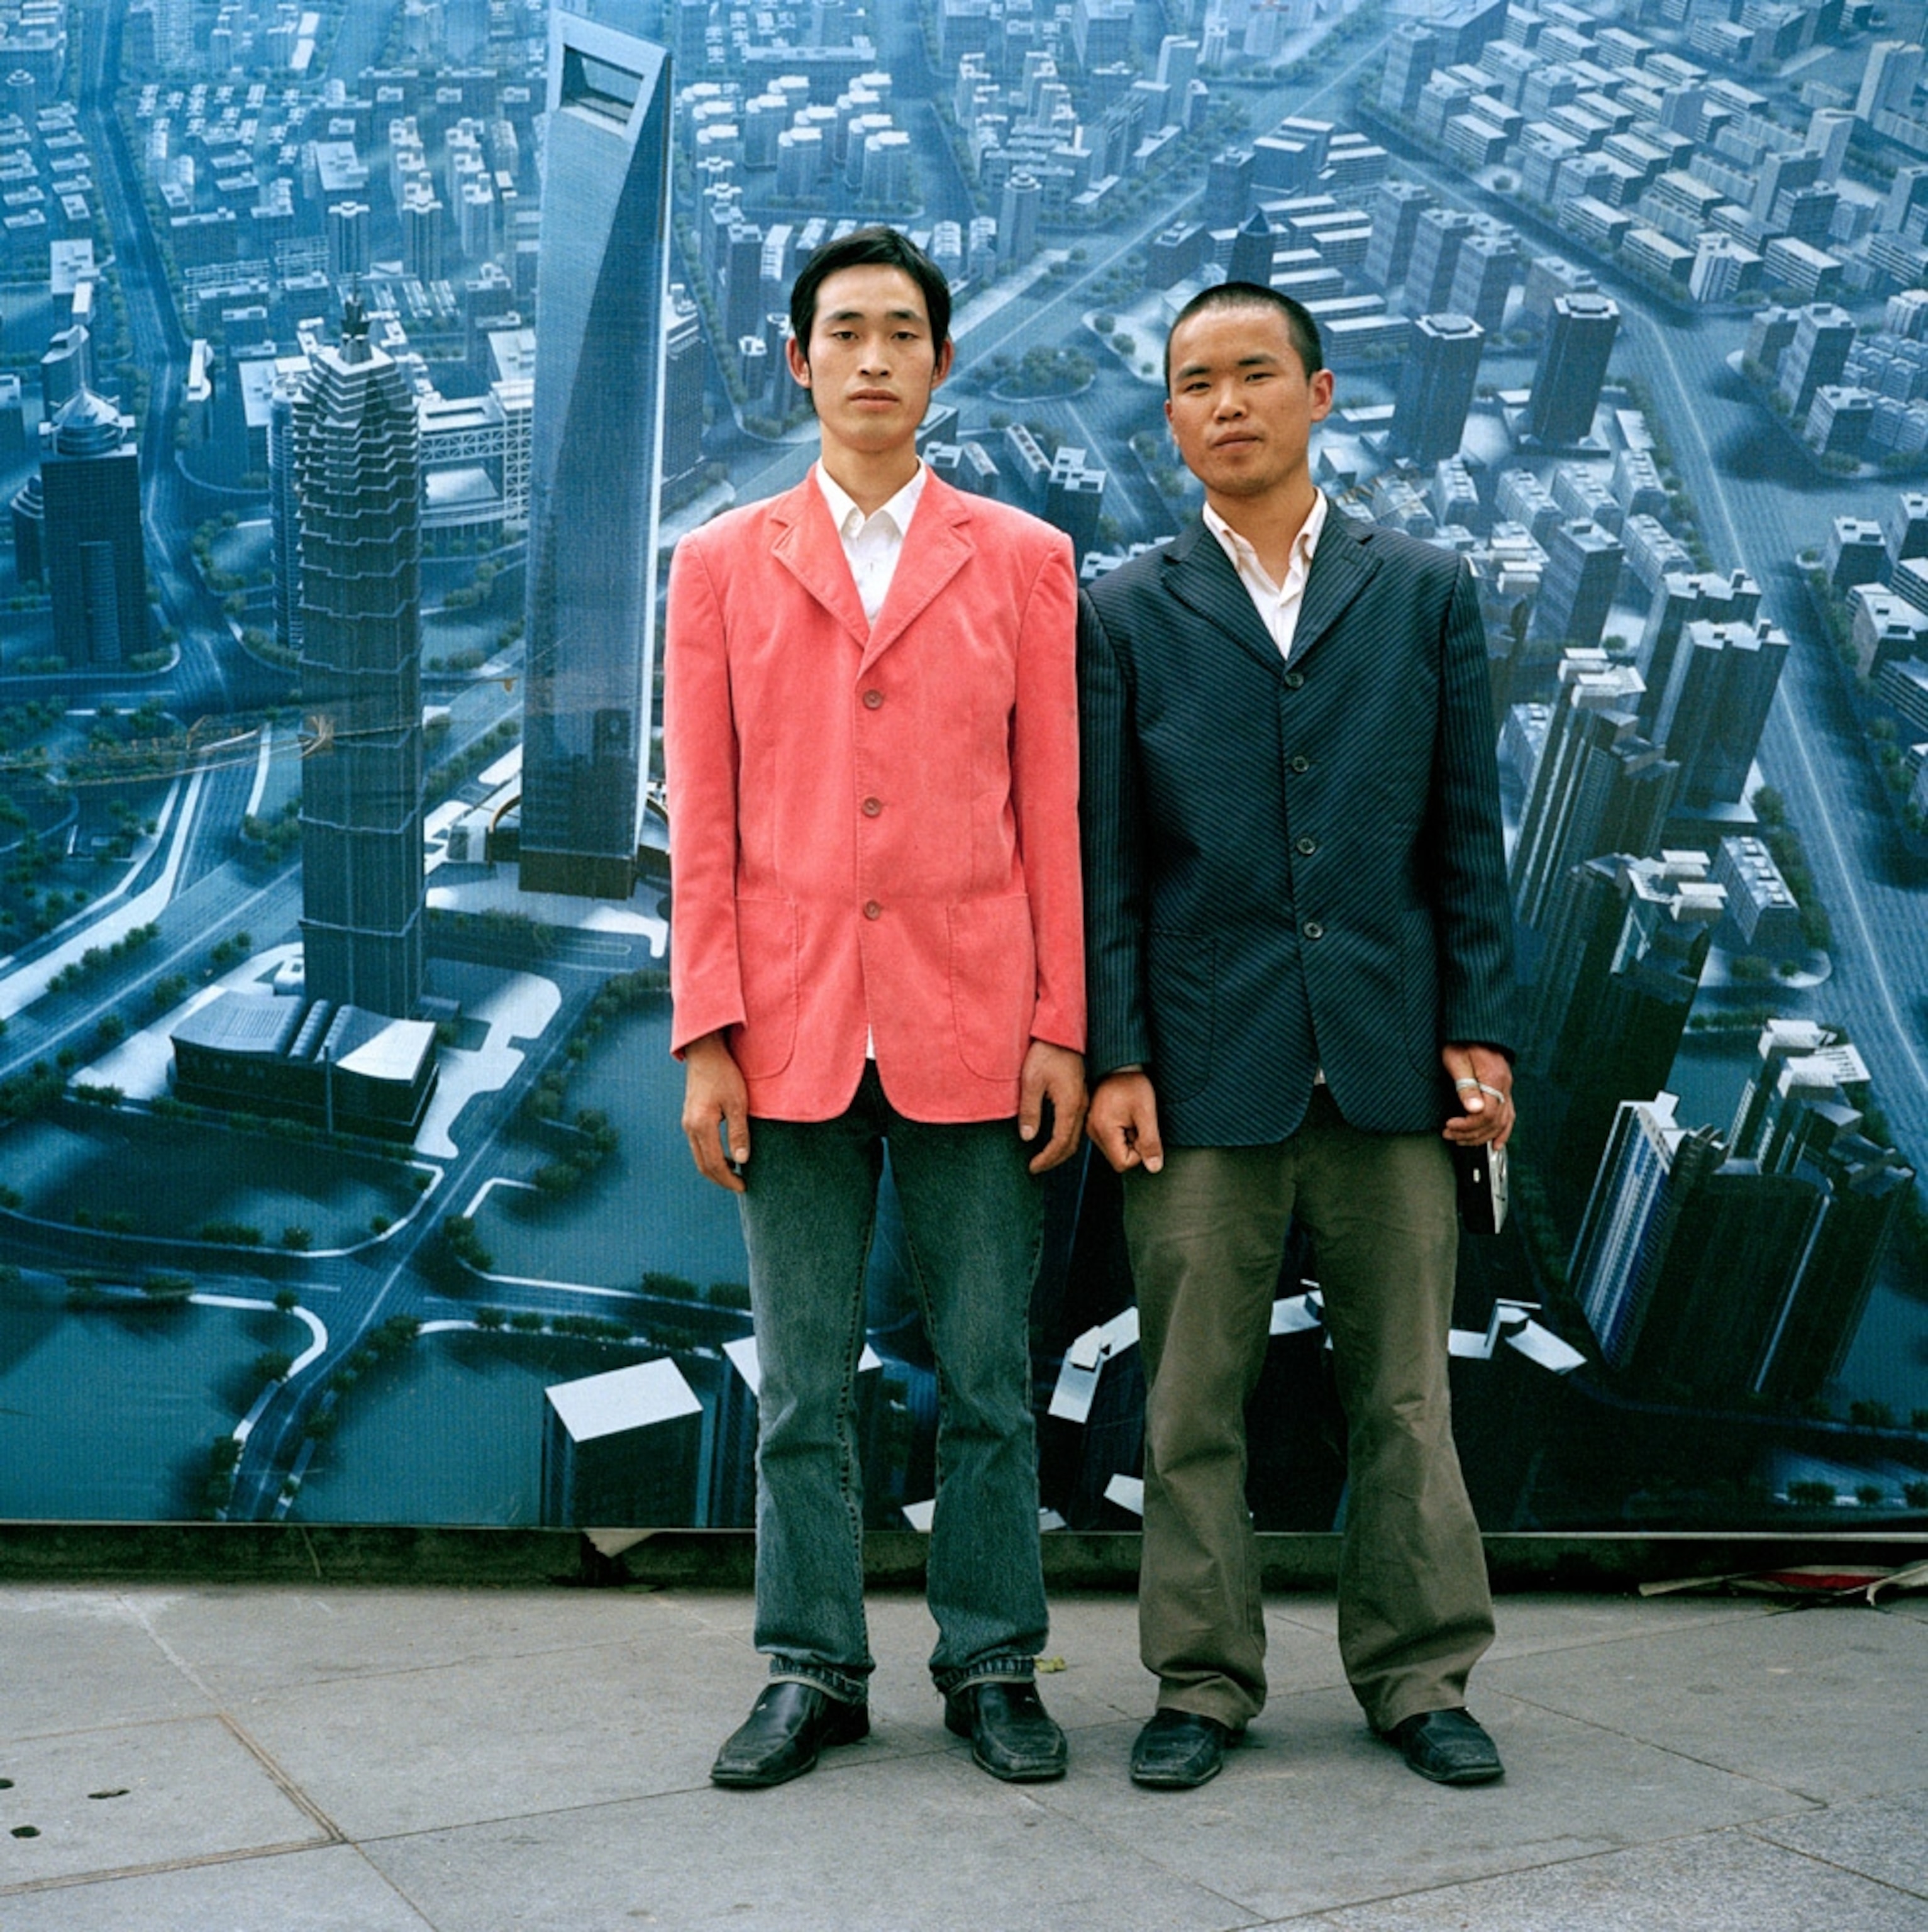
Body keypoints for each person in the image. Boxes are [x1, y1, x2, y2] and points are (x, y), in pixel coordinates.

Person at [1077, 284, 1517, 1791]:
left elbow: (1467, 835)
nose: (1227, 403)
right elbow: (1109, 863)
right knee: (1190, 1404)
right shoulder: (1124, 610)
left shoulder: (1425, 589)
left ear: (1319, 393)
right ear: (1171, 418)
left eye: (1255, 373)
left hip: (1392, 1062)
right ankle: (1201, 1683)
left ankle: (1421, 1676)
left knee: (1405, 1397)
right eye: (1196, 382)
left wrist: (1483, 1035)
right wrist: (1119, 1055)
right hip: (1204, 1070)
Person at [664, 227, 1087, 1790]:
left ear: (941, 363)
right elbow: (702, 824)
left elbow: (1055, 813)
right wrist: (706, 1034)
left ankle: (993, 1663)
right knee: (799, 1389)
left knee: (989, 1381)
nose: (872, 359)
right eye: (843, 332)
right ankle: (810, 1668)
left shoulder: (1025, 558)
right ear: (797, 360)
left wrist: (1061, 1026)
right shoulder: (719, 564)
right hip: (786, 1031)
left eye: (902, 332)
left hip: (976, 1023)